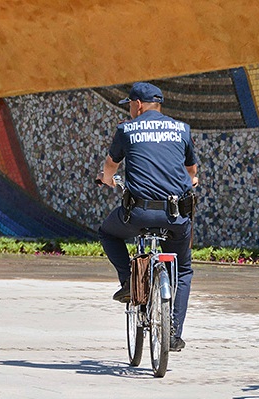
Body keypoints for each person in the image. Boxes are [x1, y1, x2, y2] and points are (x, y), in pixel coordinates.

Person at [97, 82, 198, 352]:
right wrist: (192, 181)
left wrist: (107, 180)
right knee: (184, 269)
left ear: (138, 104)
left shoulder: (126, 130)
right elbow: (192, 172)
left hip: (138, 213)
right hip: (175, 215)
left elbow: (110, 166)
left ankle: (129, 283)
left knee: (107, 232)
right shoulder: (181, 129)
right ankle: (174, 332)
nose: (130, 109)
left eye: (130, 104)